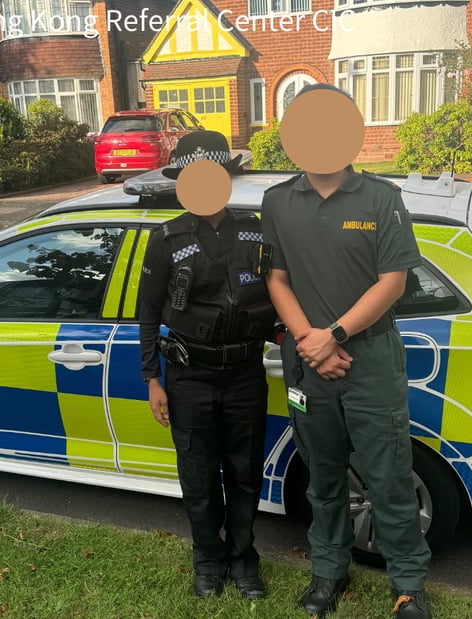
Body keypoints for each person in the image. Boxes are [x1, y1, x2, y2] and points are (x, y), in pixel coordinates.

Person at [261, 83, 431, 618]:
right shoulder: (277, 200)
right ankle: (328, 572)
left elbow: (393, 282)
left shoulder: (381, 197)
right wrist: (311, 344)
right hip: (309, 365)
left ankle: (409, 586)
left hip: (370, 360)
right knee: (323, 478)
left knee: (389, 478)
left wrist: (332, 336)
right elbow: (277, 279)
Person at [138, 130, 276, 601]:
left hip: (245, 375)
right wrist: (152, 378)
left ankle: (244, 560)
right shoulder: (166, 238)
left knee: (245, 473)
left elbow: (280, 291)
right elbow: (147, 313)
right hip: (189, 376)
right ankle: (208, 562)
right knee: (198, 477)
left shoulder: (256, 230)